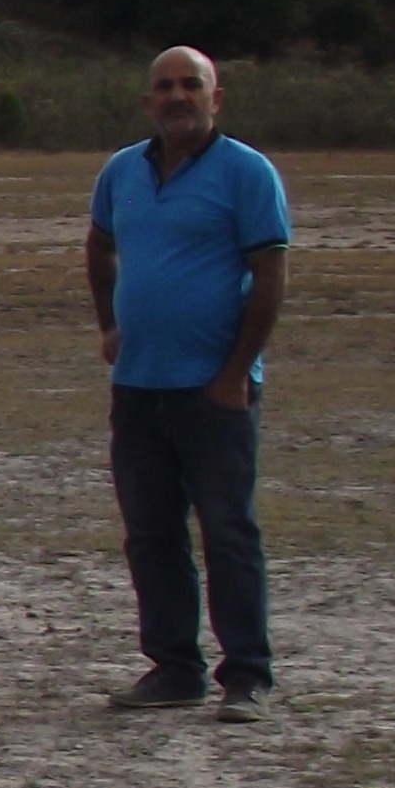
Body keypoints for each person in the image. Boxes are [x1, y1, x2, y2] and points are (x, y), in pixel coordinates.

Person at [90, 46, 291, 720]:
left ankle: (247, 675)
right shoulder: (121, 171)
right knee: (150, 533)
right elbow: (99, 245)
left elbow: (269, 276)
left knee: (228, 531)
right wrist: (110, 325)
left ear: (216, 97)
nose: (177, 96)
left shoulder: (247, 173)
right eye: (164, 87)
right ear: (148, 101)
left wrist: (236, 373)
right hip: (140, 388)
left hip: (214, 390)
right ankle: (174, 668)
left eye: (190, 85)